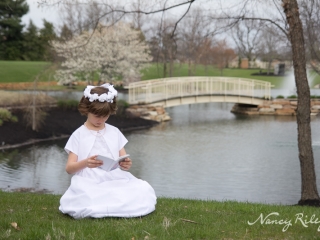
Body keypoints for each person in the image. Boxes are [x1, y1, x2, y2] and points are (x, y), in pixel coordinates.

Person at [59, 83, 157, 219]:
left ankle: (113, 204)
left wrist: (126, 164)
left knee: (142, 189)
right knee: (91, 197)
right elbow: (69, 169)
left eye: (105, 116)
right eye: (97, 116)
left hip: (114, 176)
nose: (101, 120)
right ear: (86, 110)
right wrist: (86, 163)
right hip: (88, 180)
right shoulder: (79, 135)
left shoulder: (114, 132)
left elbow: (124, 159)